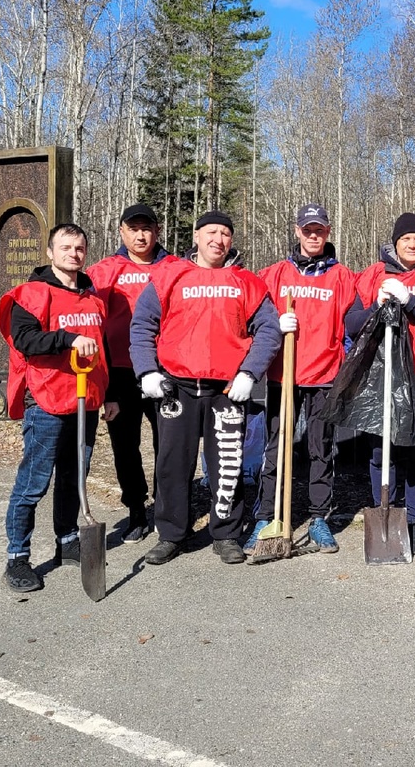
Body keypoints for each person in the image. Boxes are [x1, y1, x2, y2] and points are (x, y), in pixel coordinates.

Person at [129, 210, 281, 566]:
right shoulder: (169, 274)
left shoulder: (247, 281)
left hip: (225, 391)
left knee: (227, 464)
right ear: (196, 237)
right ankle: (171, 534)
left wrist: (249, 372)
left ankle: (226, 533)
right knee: (171, 465)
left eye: (226, 233)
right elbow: (142, 326)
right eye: (211, 232)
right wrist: (147, 371)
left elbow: (269, 330)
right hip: (176, 387)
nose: (219, 239)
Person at [0, 223, 118, 593]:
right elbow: (25, 340)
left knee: (72, 478)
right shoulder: (30, 295)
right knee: (34, 484)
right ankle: (17, 557)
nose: (73, 254)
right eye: (65, 247)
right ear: (50, 252)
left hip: (85, 401)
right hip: (46, 400)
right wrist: (68, 339)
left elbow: (101, 347)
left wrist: (109, 393)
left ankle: (67, 541)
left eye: (79, 248)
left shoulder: (93, 299)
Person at [248, 203, 363, 554]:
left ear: (328, 233)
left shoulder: (343, 277)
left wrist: (343, 361)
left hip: (325, 375)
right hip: (284, 375)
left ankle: (318, 518)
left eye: (320, 230)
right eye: (307, 230)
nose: (314, 236)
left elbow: (352, 324)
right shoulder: (273, 275)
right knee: (276, 448)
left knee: (321, 448)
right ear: (297, 231)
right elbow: (254, 318)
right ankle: (266, 518)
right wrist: (273, 325)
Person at [350, 212, 415, 555]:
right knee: (383, 451)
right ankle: (387, 512)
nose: (412, 244)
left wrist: (410, 301)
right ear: (394, 242)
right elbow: (350, 323)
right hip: (383, 377)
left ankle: (414, 521)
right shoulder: (372, 276)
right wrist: (377, 306)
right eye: (405, 239)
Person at [85, 204, 173, 544]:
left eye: (147, 228)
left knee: (168, 445)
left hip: (164, 371)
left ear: (157, 231)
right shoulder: (104, 271)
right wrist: (103, 385)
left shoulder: (175, 268)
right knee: (125, 447)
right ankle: (136, 508)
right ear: (122, 231)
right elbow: (92, 324)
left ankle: (167, 508)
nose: (141, 235)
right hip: (120, 373)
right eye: (133, 228)